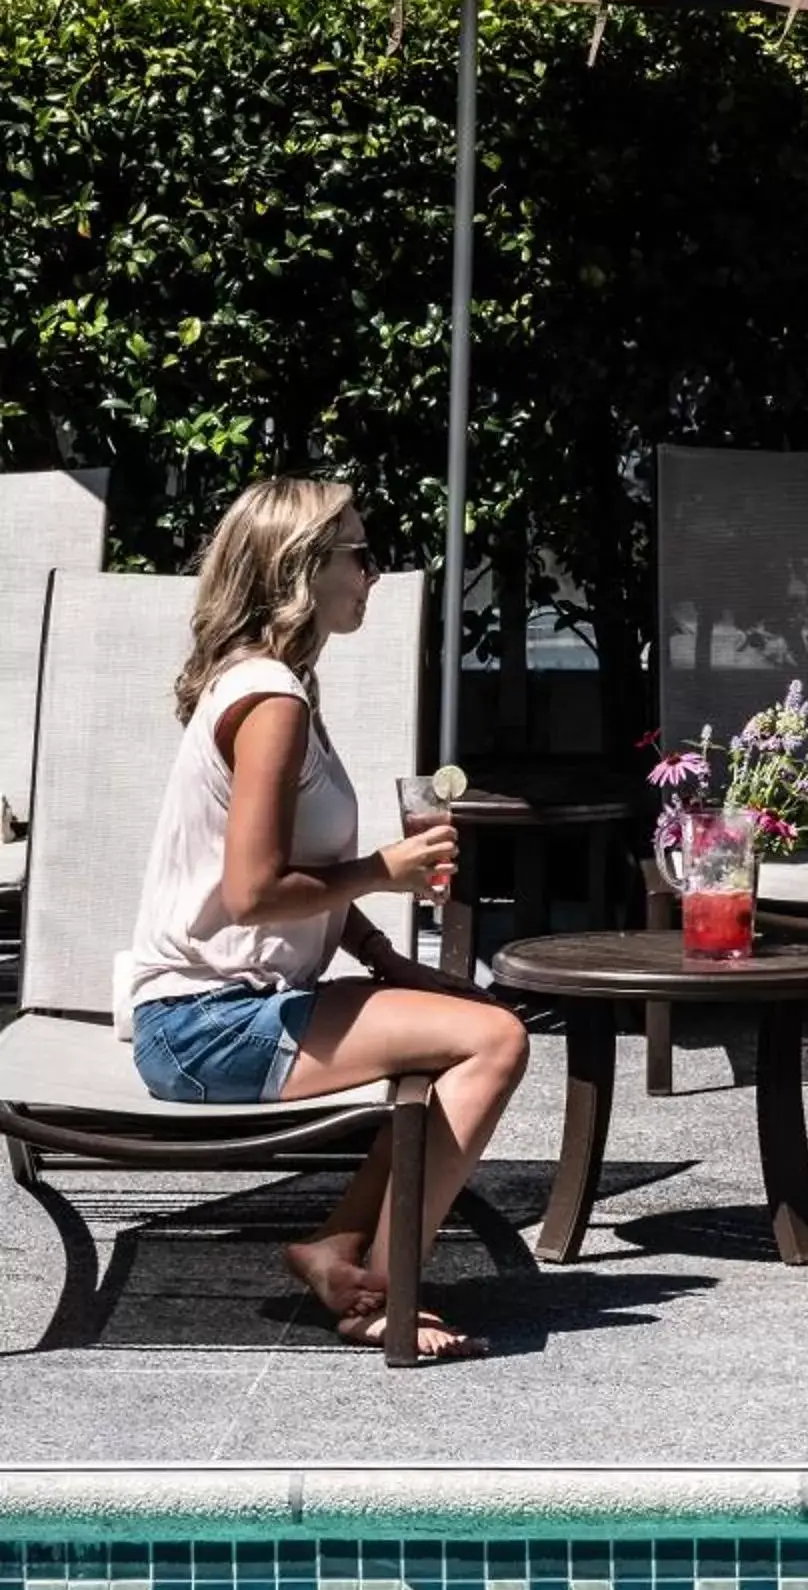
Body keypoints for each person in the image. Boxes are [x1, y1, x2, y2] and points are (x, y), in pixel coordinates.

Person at [124, 476, 529, 1360]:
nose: (373, 574)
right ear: (302, 567)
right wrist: (385, 871)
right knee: (494, 1042)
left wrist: (385, 957)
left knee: (469, 1030)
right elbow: (256, 891)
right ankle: (386, 1294)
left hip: (226, 1008)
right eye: (360, 554)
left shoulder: (276, 685)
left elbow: (298, 874)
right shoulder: (272, 700)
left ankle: (337, 1248)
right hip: (205, 1024)